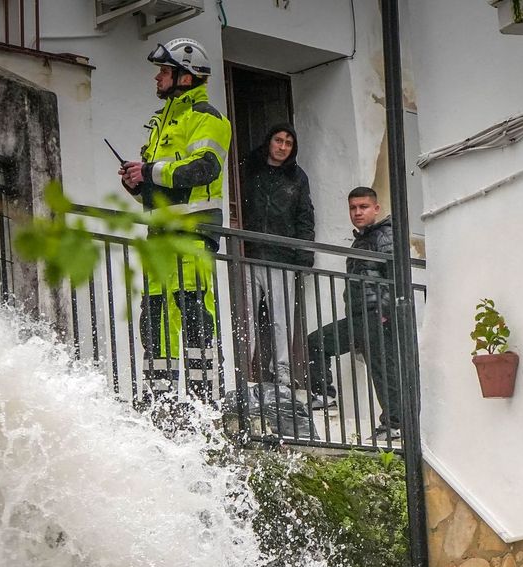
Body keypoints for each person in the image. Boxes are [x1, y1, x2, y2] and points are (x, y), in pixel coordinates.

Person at [118, 37, 232, 398]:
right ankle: (160, 399)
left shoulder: (208, 119)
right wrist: (135, 183)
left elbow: (204, 169)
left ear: (186, 77)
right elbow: (158, 184)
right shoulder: (158, 123)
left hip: (193, 231)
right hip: (160, 234)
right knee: (154, 314)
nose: (157, 78)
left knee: (194, 306)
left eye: (164, 71)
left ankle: (205, 399)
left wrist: (149, 171)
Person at [306, 187, 404, 438]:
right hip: (359, 317)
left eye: (363, 207)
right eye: (353, 208)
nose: (357, 212)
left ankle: (394, 424)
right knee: (316, 342)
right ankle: (323, 396)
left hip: (377, 316)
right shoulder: (363, 239)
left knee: (383, 369)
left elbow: (396, 276)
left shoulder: (385, 236)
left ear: (376, 208)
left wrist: (384, 313)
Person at [240, 124, 315, 384]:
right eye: (278, 140)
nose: (282, 147)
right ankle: (243, 369)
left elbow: (305, 216)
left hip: (282, 257)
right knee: (245, 317)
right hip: (248, 253)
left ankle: (282, 370)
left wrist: (304, 254)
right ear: (268, 141)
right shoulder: (249, 168)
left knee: (281, 319)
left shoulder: (297, 176)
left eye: (288, 143)